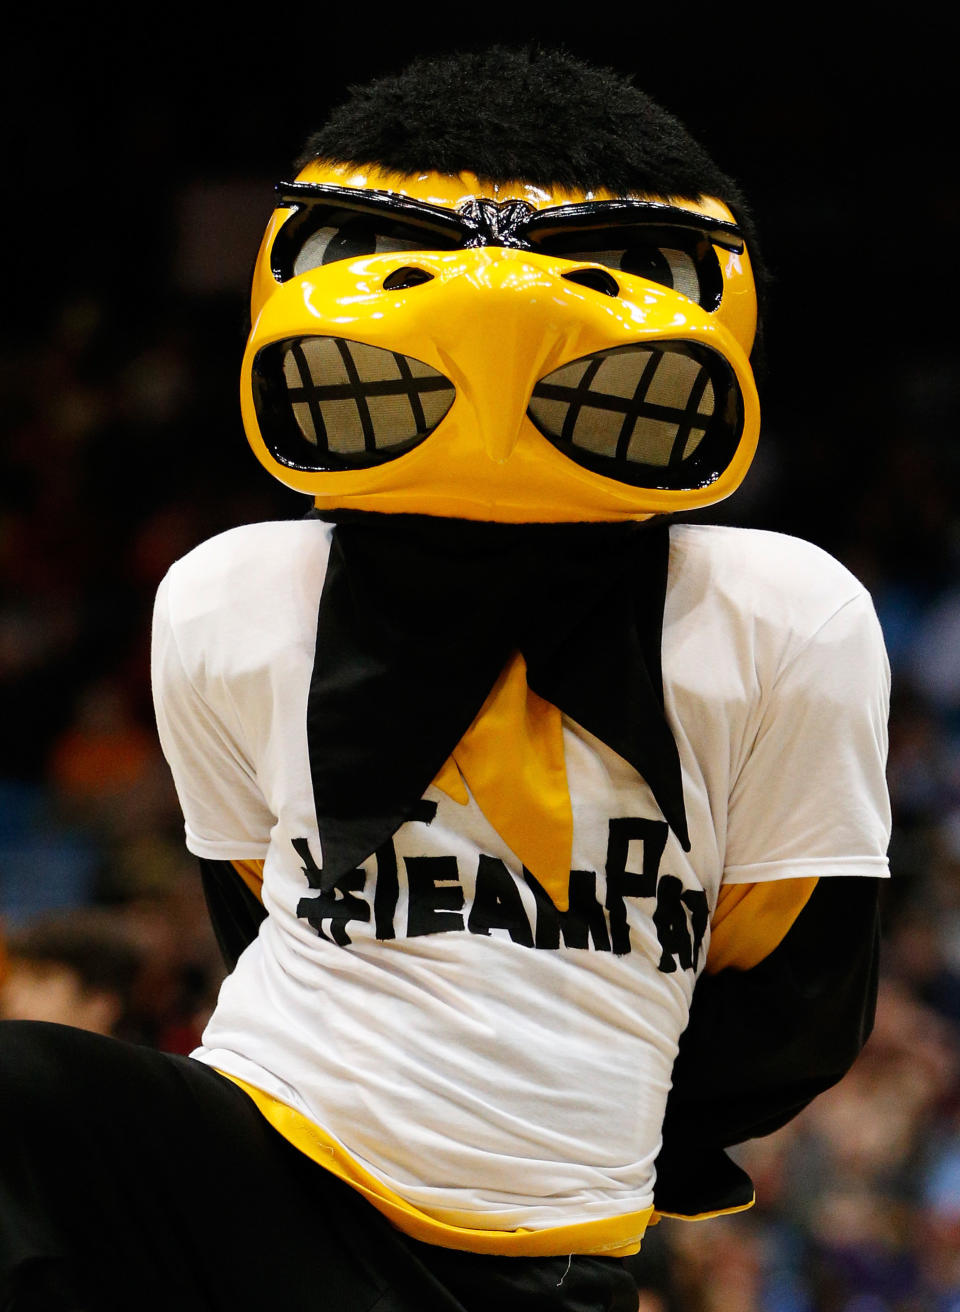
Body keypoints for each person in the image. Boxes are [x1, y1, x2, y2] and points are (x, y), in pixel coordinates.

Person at [0, 47, 890, 1312]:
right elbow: (255, 906)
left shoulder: (779, 612)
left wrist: (573, 1109)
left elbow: (802, 993)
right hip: (270, 1147)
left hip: (545, 1244)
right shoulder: (230, 590)